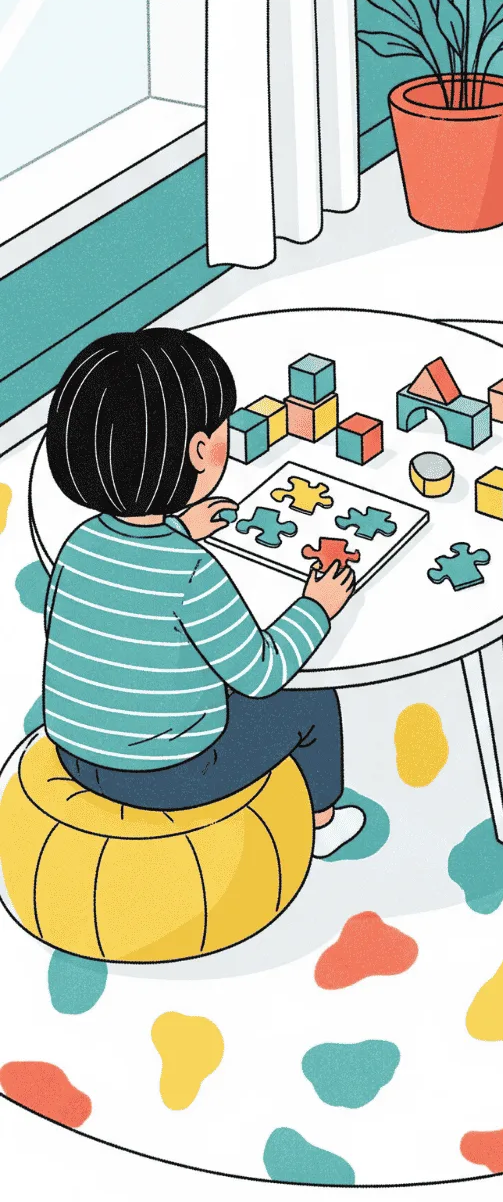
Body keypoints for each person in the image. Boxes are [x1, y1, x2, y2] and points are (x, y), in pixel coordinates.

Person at [41, 328, 364, 857]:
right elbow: (261, 674)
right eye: (222, 429)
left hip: (74, 752)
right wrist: (316, 607)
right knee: (312, 702)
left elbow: (76, 624)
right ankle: (321, 822)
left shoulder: (82, 542)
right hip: (168, 774)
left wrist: (178, 526)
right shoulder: (192, 571)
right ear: (199, 450)